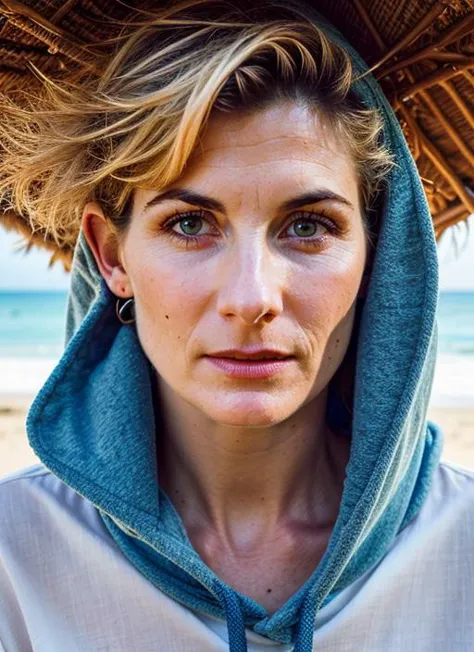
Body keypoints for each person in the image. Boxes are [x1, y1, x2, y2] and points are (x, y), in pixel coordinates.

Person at [1, 1, 473, 650]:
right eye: (190, 224)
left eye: (308, 226)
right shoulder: (14, 558)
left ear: (377, 251)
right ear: (113, 255)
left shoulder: (463, 548)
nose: (252, 298)